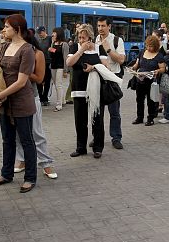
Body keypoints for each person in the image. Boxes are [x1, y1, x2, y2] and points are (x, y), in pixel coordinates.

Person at [0, 14, 37, 193]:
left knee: (26, 140)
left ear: (17, 29)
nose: (4, 30)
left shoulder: (27, 50)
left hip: (21, 102)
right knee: (7, 140)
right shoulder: (5, 46)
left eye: (7, 27)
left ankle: (30, 177)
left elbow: (21, 81)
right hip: (5, 101)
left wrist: (0, 94)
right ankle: (6, 173)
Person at [15, 34, 58, 179]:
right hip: (14, 97)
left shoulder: (37, 53)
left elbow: (40, 78)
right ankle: (22, 160)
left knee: (36, 132)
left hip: (31, 96)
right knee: (18, 133)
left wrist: (23, 71)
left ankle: (45, 163)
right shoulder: (11, 50)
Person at [67, 24, 105, 158]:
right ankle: (80, 147)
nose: (81, 39)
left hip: (95, 89)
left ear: (90, 37)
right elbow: (69, 63)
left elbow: (105, 66)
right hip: (79, 89)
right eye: (79, 37)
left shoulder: (99, 48)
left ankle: (98, 147)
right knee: (80, 119)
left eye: (83, 37)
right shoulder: (75, 47)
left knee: (97, 118)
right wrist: (81, 50)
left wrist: (93, 67)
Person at [94, 17, 126, 150]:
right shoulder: (95, 39)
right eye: (98, 26)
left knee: (114, 111)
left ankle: (116, 137)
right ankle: (97, 137)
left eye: (103, 26)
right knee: (97, 111)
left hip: (113, 78)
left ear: (109, 26)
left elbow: (121, 60)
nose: (100, 28)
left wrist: (108, 50)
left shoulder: (117, 40)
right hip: (98, 77)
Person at [130, 35, 165, 126]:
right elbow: (137, 64)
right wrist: (133, 68)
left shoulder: (159, 55)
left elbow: (163, 68)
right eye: (147, 46)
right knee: (139, 100)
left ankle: (150, 118)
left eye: (151, 46)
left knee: (151, 100)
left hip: (151, 80)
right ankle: (139, 117)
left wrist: (157, 71)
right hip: (140, 79)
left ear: (155, 46)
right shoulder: (142, 52)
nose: (149, 48)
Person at [49, 27, 69, 111]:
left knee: (58, 84)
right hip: (53, 66)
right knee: (56, 84)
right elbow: (51, 55)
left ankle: (59, 104)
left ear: (59, 33)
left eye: (54, 32)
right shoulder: (53, 43)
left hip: (60, 66)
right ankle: (63, 100)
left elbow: (66, 57)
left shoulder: (64, 44)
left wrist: (65, 70)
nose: (53, 34)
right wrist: (50, 49)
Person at [35, 26, 52, 107]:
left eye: (40, 32)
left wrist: (50, 50)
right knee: (39, 81)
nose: (39, 34)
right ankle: (41, 97)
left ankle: (45, 97)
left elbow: (54, 49)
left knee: (47, 81)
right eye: (38, 33)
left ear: (44, 31)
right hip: (40, 62)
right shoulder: (38, 40)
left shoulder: (50, 39)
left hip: (48, 62)